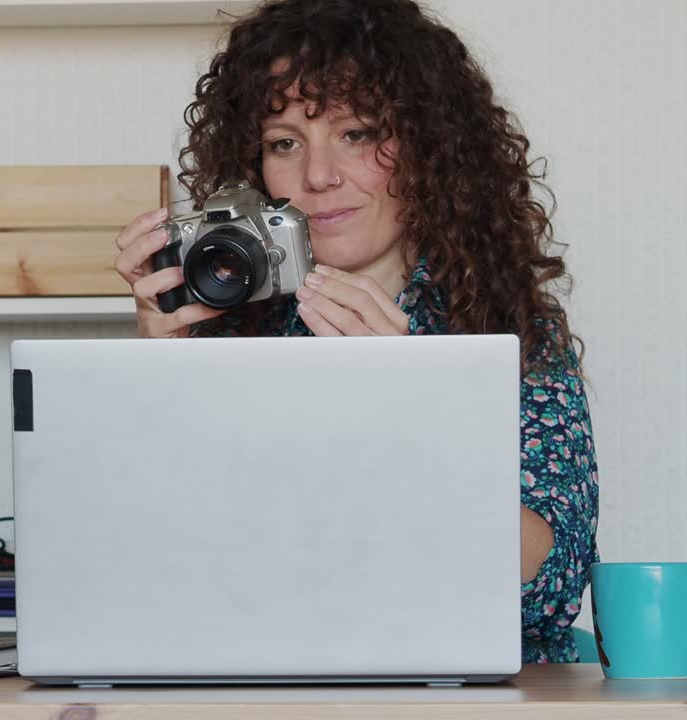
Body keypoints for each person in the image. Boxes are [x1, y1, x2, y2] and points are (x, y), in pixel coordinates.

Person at [113, 0, 598, 664]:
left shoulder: (508, 328)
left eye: (358, 133)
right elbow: (148, 576)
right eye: (285, 142)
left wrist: (404, 403)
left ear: (428, 147)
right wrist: (154, 380)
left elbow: (545, 591)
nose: (318, 177)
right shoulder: (226, 329)